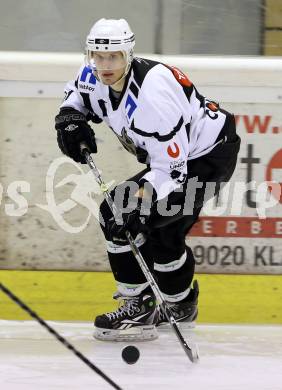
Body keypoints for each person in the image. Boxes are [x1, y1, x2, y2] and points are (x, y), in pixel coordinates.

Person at [55, 18, 241, 341]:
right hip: (179, 158)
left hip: (209, 157)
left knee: (119, 213)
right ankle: (181, 305)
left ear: (129, 54)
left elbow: (173, 172)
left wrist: (138, 202)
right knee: (163, 235)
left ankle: (138, 308)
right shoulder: (93, 74)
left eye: (113, 57)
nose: (104, 65)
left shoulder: (152, 98)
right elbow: (77, 96)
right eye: (98, 57)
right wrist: (69, 119)